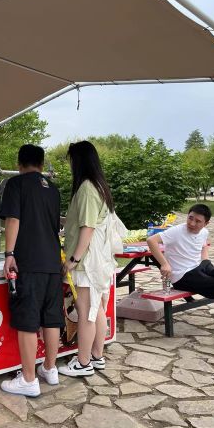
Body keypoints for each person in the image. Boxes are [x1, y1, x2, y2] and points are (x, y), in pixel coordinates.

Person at [0, 144, 63, 397]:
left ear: (19, 163)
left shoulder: (16, 184)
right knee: (51, 317)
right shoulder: (53, 189)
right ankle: (49, 368)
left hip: (29, 261)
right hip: (52, 262)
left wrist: (9, 254)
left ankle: (28, 379)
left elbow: (13, 219)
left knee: (28, 319)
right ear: (41, 163)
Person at [59, 141, 125, 377]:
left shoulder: (87, 188)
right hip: (98, 260)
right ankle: (97, 356)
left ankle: (83, 362)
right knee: (96, 310)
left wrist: (73, 259)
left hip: (87, 262)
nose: (70, 165)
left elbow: (87, 228)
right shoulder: (98, 186)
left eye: (71, 160)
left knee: (86, 311)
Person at [147, 204, 214, 345]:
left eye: (198, 221)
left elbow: (203, 246)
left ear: (206, 223)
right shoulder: (176, 231)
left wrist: (206, 263)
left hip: (198, 267)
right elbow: (151, 240)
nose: (192, 223)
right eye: (190, 218)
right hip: (182, 275)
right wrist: (164, 264)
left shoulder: (204, 232)